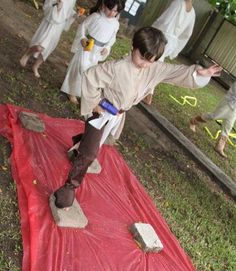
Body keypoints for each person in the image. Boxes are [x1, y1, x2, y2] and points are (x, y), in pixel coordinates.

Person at [53, 27, 222, 209]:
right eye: (142, 58)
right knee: (90, 152)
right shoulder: (116, 68)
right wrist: (94, 102)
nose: (144, 64)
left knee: (98, 142)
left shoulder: (154, 68)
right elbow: (90, 76)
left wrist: (198, 73)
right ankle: (67, 191)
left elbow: (175, 72)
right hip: (101, 112)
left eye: (150, 61)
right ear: (134, 47)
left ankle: (75, 151)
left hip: (117, 115)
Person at [61, 0, 125, 104]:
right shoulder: (95, 16)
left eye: (115, 11)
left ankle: (82, 92)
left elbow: (112, 38)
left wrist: (107, 47)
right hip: (87, 46)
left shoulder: (115, 24)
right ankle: (71, 91)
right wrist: (82, 37)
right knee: (80, 67)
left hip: (97, 51)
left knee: (89, 71)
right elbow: (83, 26)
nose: (111, 13)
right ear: (104, 5)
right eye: (110, 9)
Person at [142, 0, 196, 105]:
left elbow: (165, 20)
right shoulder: (192, 12)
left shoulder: (178, 2)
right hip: (172, 42)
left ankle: (148, 93)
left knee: (153, 64)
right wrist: (176, 47)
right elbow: (187, 34)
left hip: (163, 37)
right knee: (154, 63)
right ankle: (146, 91)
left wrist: (152, 31)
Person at [20, 0, 78, 78]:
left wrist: (74, 15)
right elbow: (47, 5)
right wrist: (56, 8)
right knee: (39, 46)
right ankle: (27, 54)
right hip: (50, 21)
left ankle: (35, 66)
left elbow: (69, 10)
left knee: (48, 48)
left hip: (59, 26)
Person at [190, 81, 236, 158]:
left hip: (235, 108)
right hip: (228, 102)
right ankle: (194, 121)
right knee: (213, 116)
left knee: (228, 125)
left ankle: (219, 147)